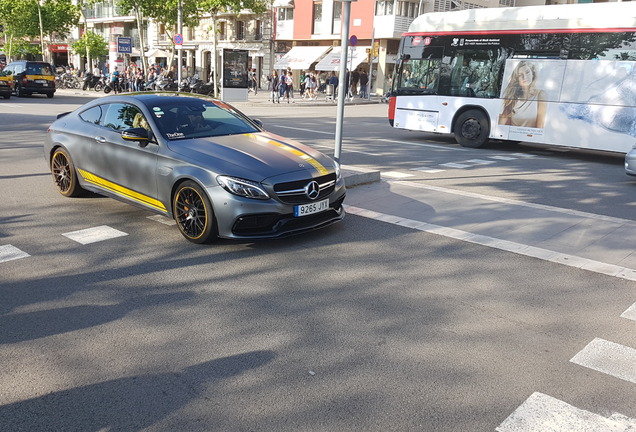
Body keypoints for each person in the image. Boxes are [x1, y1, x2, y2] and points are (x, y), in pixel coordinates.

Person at [498, 61, 547, 128]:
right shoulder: (513, 97)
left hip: (529, 136)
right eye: (520, 75)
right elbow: (501, 124)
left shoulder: (540, 95)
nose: (525, 77)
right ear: (517, 79)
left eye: (527, 72)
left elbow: (540, 127)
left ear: (533, 74)